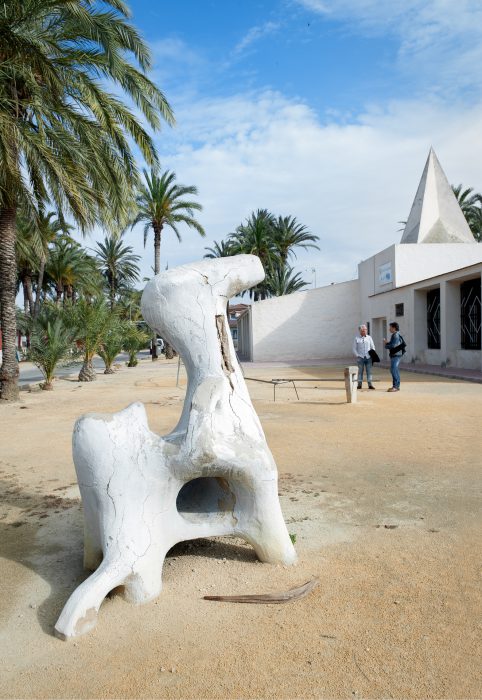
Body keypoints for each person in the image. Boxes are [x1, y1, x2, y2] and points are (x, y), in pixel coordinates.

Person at [353, 324, 376, 390]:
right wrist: (357, 355)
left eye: (365, 330)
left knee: (369, 371)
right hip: (360, 358)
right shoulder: (356, 338)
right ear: (360, 331)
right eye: (363, 330)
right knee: (360, 372)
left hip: (368, 357)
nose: (365, 331)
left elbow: (373, 347)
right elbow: (354, 348)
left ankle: (370, 384)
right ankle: (359, 385)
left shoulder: (369, 337)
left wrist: (372, 354)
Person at [384, 322, 403, 392]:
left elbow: (393, 346)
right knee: (395, 370)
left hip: (396, 355)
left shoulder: (395, 335)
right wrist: (388, 343)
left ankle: (395, 386)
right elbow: (393, 344)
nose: (389, 329)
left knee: (393, 370)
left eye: (390, 327)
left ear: (394, 328)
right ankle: (396, 386)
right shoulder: (396, 334)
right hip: (396, 354)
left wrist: (386, 345)